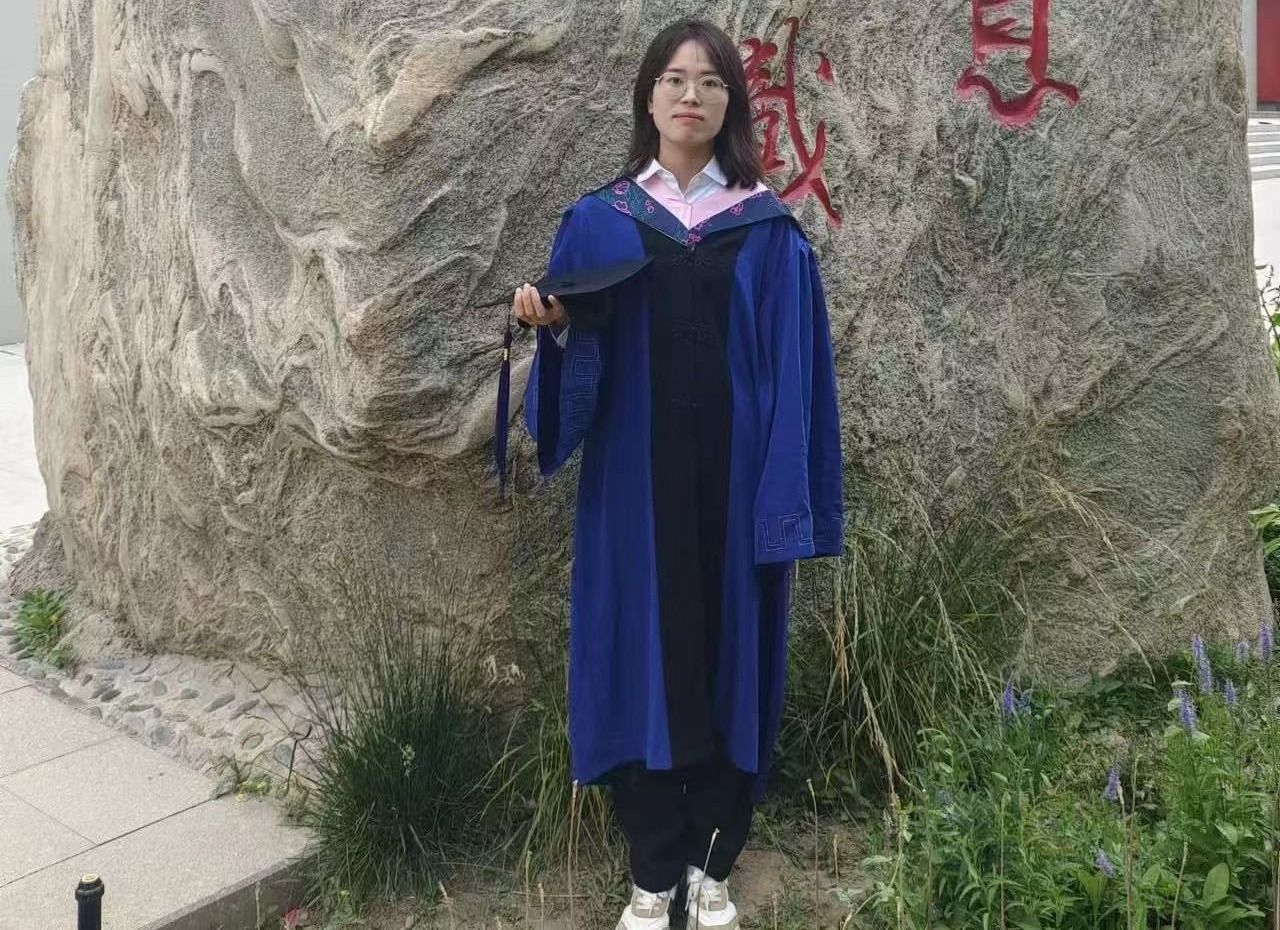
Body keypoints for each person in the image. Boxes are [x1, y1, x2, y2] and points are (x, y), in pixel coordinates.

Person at [510, 16, 843, 930]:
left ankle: (713, 867)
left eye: (709, 80)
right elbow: (576, 388)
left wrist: (788, 500)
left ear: (731, 102)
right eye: (673, 78)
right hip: (637, 494)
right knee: (641, 669)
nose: (690, 94)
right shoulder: (602, 221)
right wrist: (555, 328)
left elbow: (797, 376)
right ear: (648, 97)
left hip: (737, 491)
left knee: (733, 667)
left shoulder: (768, 230)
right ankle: (653, 875)